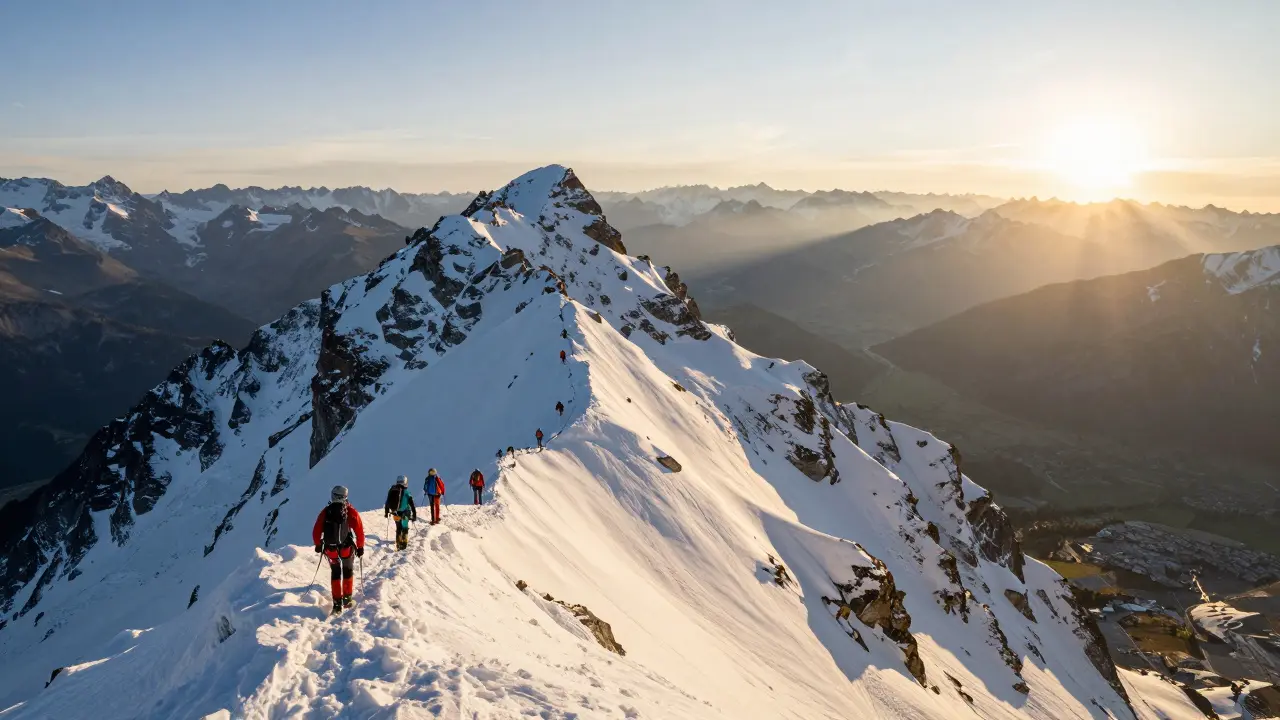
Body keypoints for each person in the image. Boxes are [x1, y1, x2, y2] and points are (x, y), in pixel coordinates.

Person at [312, 485, 365, 614]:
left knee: (335, 573)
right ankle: (347, 600)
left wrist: (318, 545)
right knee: (347, 570)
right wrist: (360, 547)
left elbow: (316, 531)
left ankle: (337, 604)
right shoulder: (350, 511)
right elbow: (359, 531)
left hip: (331, 550)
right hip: (346, 548)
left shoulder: (326, 511)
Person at [383, 475, 417, 551]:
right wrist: (414, 515)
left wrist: (386, 512)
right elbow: (412, 504)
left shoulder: (392, 490)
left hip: (395, 513)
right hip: (405, 513)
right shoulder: (406, 492)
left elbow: (387, 502)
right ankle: (404, 546)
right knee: (404, 528)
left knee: (398, 528)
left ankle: (398, 545)